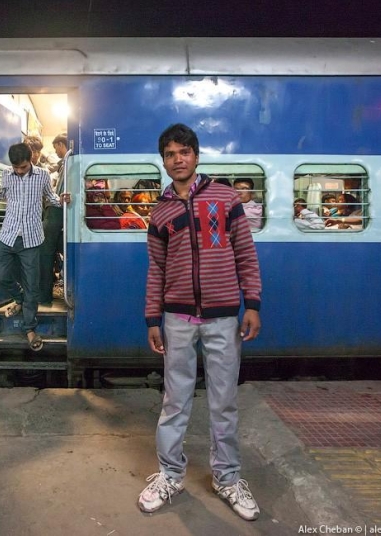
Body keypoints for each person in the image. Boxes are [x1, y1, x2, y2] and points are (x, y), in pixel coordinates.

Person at [139, 123, 262, 521]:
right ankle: (170, 474)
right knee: (175, 401)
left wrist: (253, 304)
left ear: (196, 155)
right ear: (164, 161)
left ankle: (227, 478)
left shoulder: (226, 199)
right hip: (175, 318)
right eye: (170, 154)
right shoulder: (160, 212)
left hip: (224, 318)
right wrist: (152, 317)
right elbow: (156, 269)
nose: (178, 159)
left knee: (223, 401)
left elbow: (245, 254)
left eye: (184, 152)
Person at [0, 142, 70, 350]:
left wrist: (62, 200)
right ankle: (20, 298)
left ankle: (30, 329)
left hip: (32, 238)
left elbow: (50, 198)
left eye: (22, 167)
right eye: (15, 168)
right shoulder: (7, 174)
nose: (19, 171)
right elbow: (0, 194)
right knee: (1, 274)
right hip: (8, 234)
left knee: (32, 284)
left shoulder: (42, 175)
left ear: (31, 158)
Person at [39, 134, 70, 305]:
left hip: (56, 210)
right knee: (55, 247)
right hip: (58, 209)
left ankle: (43, 296)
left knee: (45, 252)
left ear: (61, 144)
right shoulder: (64, 163)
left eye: (56, 147)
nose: (56, 151)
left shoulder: (68, 160)